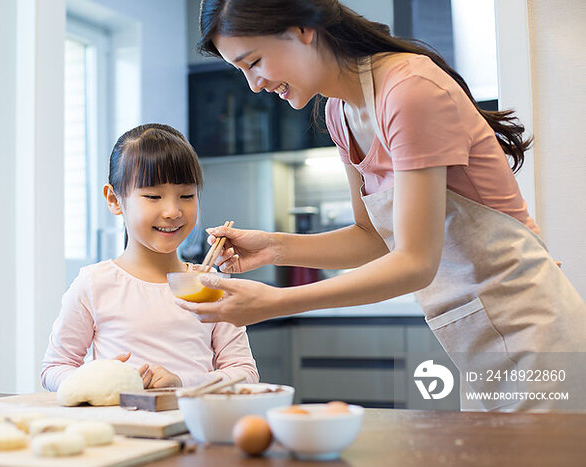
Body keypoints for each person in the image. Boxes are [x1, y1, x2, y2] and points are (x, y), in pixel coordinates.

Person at [175, 0, 586, 411]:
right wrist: (274, 247)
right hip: (480, 345)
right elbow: (372, 237)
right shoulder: (339, 112)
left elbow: (414, 262)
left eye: (255, 61)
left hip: (535, 333)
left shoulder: (409, 89)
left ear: (301, 29)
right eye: (241, 70)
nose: (254, 85)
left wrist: (277, 302)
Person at [41, 123, 259, 391]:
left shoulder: (212, 286)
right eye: (153, 196)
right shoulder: (94, 284)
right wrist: (96, 381)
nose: (172, 211)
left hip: (193, 429)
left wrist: (182, 383)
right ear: (114, 199)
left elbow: (244, 372)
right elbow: (54, 368)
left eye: (187, 195)